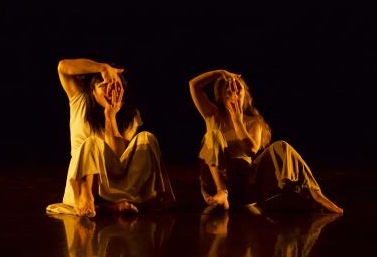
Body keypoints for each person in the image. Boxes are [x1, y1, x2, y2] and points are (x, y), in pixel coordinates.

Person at [189, 69, 343, 214]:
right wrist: (220, 73)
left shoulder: (254, 122)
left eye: (238, 91)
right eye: (228, 93)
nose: (234, 95)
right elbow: (194, 85)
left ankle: (316, 194)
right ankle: (222, 191)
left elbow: (251, 151)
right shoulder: (213, 116)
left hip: (245, 186)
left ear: (245, 94)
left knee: (282, 146)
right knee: (212, 133)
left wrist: (238, 122)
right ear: (222, 99)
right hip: (218, 182)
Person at [46, 58, 175, 217]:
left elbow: (117, 159)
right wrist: (102, 68)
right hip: (86, 181)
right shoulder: (79, 99)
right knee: (92, 142)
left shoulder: (130, 115)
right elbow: (63, 67)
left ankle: (118, 204)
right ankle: (89, 198)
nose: (111, 90)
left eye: (116, 86)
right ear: (92, 90)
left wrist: (110, 115)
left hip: (114, 182)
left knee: (147, 138)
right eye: (105, 85)